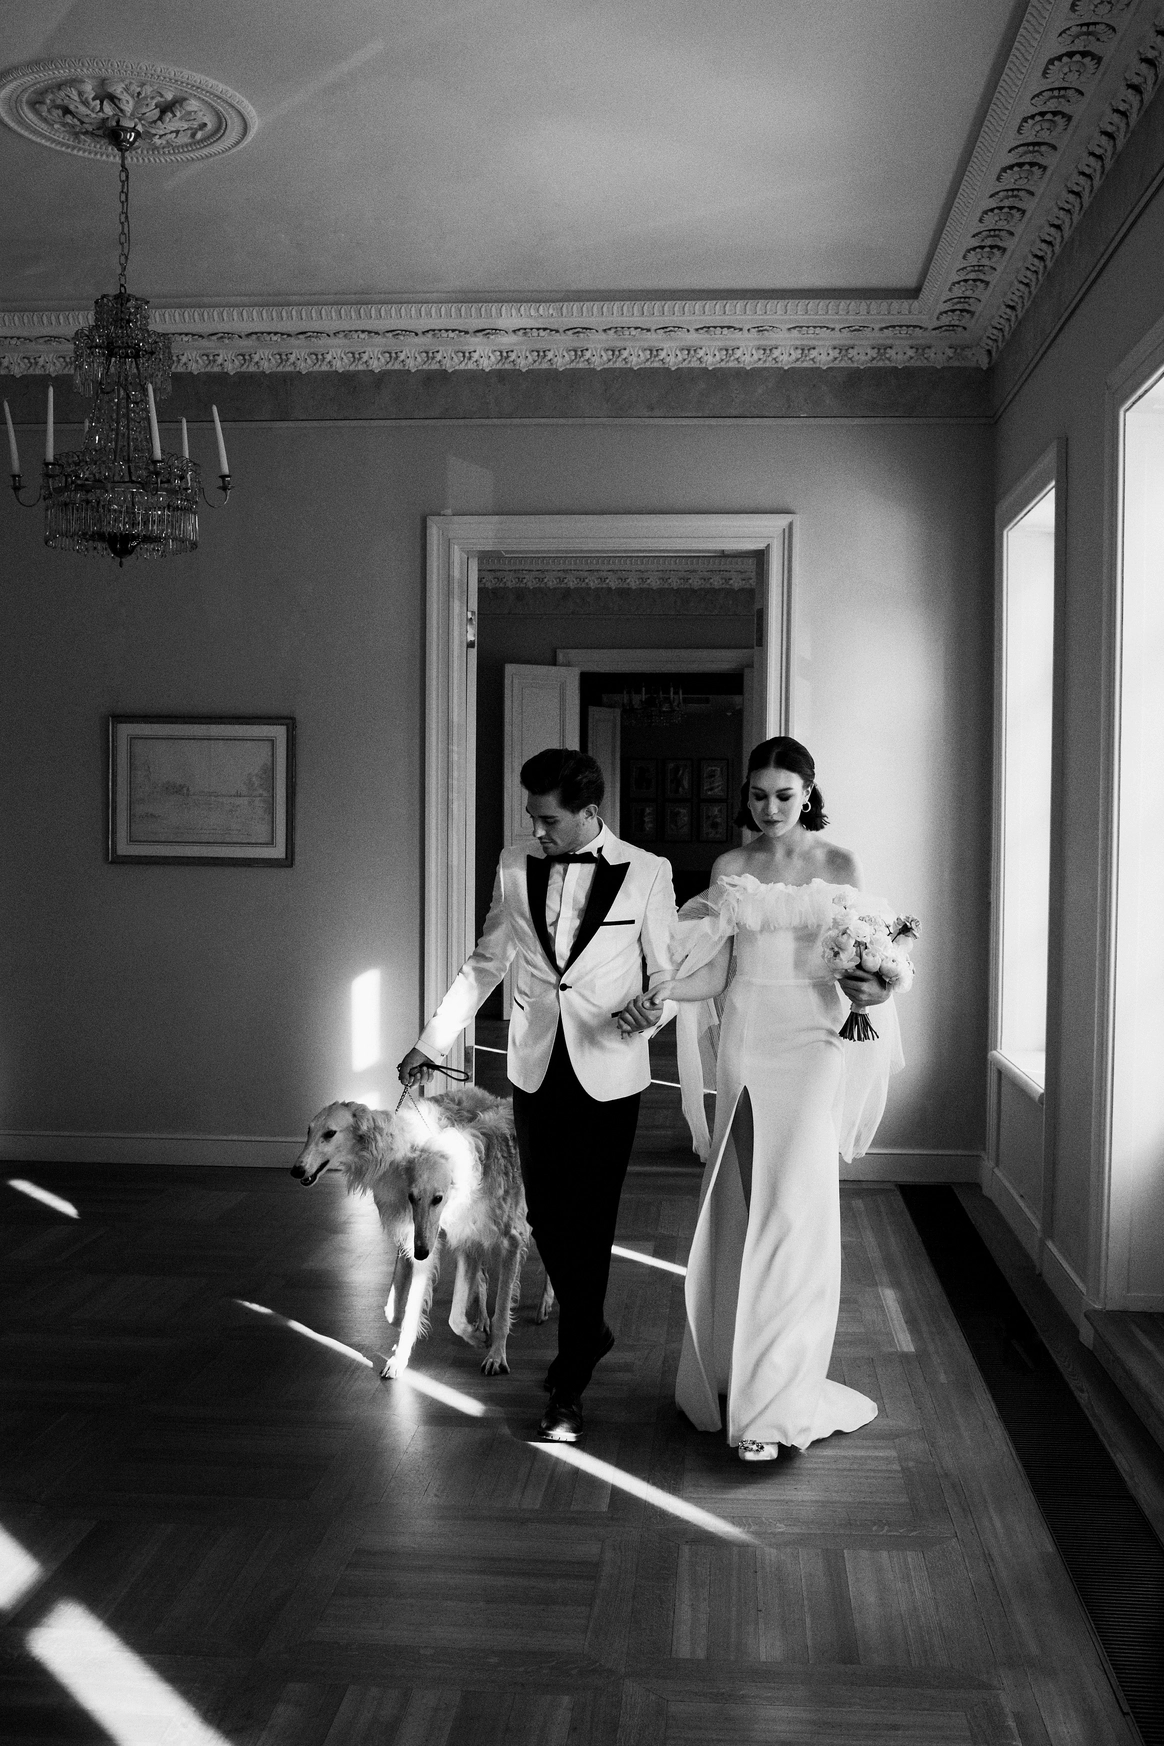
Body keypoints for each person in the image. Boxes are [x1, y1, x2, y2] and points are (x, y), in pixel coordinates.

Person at [617, 736, 904, 1463]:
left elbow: (869, 964)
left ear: (808, 794)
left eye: (784, 795)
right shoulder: (730, 868)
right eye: (757, 795)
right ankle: (733, 1371)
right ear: (744, 796)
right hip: (746, 1043)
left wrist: (876, 985)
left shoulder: (841, 866)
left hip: (815, 1043)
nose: (770, 808)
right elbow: (716, 974)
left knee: (793, 1214)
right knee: (741, 1204)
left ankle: (774, 1408)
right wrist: (660, 993)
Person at [398, 747, 677, 1443]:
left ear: (589, 811)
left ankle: (570, 1379)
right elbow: (486, 962)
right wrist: (433, 1042)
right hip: (535, 1066)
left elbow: (666, 976)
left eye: (549, 819)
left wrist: (653, 1011)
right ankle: (592, 1327)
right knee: (548, 1216)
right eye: (533, 817)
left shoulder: (648, 872)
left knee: (592, 1219)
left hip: (610, 1067)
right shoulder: (514, 863)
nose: (537, 830)